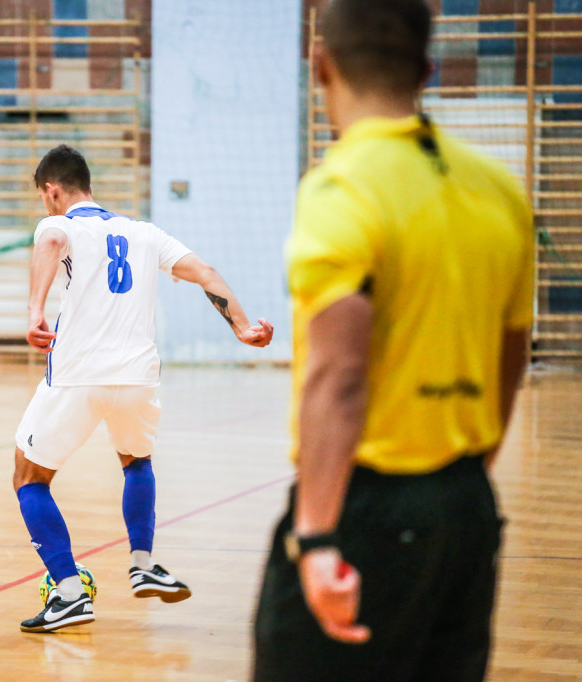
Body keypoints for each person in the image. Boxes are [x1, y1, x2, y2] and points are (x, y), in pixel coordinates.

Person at [252, 1, 534, 680]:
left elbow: (340, 373)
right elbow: (509, 357)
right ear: (426, 70)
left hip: (366, 510)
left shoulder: (343, 185)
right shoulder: (499, 190)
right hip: (467, 506)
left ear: (321, 65)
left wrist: (318, 535)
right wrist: (457, 483)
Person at [14, 144, 274, 632]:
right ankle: (143, 562)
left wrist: (34, 313)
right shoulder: (144, 232)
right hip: (138, 375)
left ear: (52, 191)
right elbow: (205, 273)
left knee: (29, 478)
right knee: (136, 463)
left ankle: (69, 593)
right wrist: (241, 326)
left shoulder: (60, 224)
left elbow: (49, 243)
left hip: (78, 374)